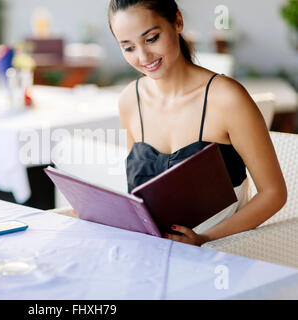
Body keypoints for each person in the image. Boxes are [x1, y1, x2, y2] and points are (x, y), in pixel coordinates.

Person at [108, 0, 287, 246]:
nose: (143, 56)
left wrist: (205, 239)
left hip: (219, 256)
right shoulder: (130, 99)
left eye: (151, 39)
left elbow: (273, 194)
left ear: (178, 22)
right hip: (150, 252)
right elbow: (139, 195)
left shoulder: (226, 98)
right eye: (128, 48)